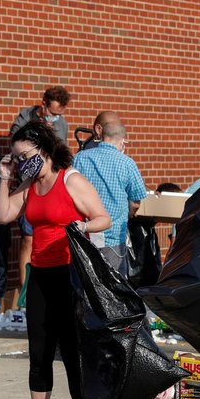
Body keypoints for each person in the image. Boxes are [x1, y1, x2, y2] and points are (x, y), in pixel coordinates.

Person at [0, 121, 110, 399]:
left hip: (69, 275)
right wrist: (5, 177)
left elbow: (103, 217)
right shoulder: (28, 184)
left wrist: (82, 225)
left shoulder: (70, 179)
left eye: (23, 156)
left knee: (72, 355)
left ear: (43, 148)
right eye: (15, 158)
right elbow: (2, 216)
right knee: (39, 354)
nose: (20, 162)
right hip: (41, 276)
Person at [9, 87, 72, 312]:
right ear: (43, 105)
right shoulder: (24, 118)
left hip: (52, 187)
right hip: (31, 185)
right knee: (28, 240)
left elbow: (62, 153)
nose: (56, 117)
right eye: (53, 112)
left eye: (59, 113)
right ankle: (25, 292)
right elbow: (15, 147)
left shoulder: (61, 124)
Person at [73, 112, 147, 276]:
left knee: (85, 283)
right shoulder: (127, 163)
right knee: (114, 287)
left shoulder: (79, 158)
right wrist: (130, 213)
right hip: (113, 237)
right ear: (122, 140)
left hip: (84, 232)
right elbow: (135, 202)